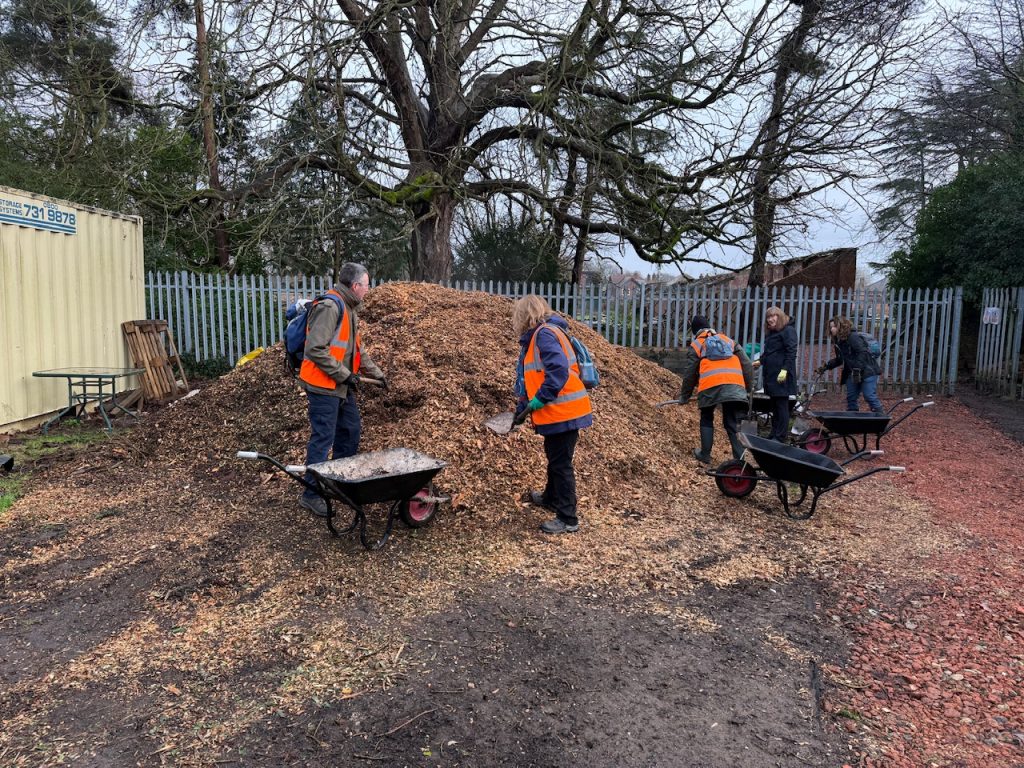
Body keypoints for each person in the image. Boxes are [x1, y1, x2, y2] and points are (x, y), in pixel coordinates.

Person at [297, 262, 386, 516]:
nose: (368, 290)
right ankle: (311, 494)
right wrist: (345, 375)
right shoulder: (330, 307)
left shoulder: (349, 308)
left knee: (350, 432)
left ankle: (335, 481)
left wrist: (377, 374)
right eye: (366, 285)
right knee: (323, 439)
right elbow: (315, 349)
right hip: (323, 386)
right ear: (355, 286)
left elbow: (357, 350)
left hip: (340, 386)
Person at [511, 295, 593, 534]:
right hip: (559, 411)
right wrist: (522, 409)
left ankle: (568, 518)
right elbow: (532, 377)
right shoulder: (540, 335)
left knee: (560, 464)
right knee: (555, 457)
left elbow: (558, 371)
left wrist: (541, 399)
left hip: (564, 411)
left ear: (525, 315)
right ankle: (551, 497)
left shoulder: (544, 335)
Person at [679, 315, 754, 464]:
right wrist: (747, 387)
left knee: (707, 416)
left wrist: (684, 396)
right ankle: (740, 460)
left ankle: (705, 454)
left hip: (709, 387)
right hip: (734, 385)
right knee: (731, 421)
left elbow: (689, 373)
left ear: (695, 331)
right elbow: (747, 364)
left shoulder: (697, 345)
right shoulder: (728, 340)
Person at [815, 315, 885, 415]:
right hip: (852, 373)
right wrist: (826, 367)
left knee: (869, 395)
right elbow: (840, 359)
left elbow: (863, 352)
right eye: (830, 327)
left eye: (834, 326)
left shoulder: (853, 337)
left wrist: (857, 368)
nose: (832, 329)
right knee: (851, 398)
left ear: (841, 326)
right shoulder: (839, 341)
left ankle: (881, 417)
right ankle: (852, 418)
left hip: (867, 371)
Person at [753, 306, 798, 442]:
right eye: (768, 317)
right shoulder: (772, 333)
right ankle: (774, 433)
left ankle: (780, 436)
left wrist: (785, 370)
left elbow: (791, 352)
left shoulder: (788, 330)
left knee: (781, 406)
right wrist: (760, 361)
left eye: (773, 316)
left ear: (780, 317)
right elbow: (769, 353)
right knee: (774, 407)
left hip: (781, 375)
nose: (770, 319)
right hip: (771, 375)